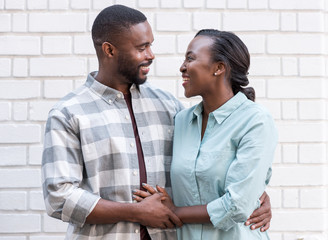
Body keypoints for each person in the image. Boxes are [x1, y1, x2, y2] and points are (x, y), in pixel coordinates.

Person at [41, 5, 272, 240]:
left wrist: (254, 196)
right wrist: (136, 212)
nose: (151, 55)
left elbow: (206, 164)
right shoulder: (69, 113)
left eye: (150, 45)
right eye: (142, 48)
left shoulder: (170, 107)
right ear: (109, 50)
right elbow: (59, 198)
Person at [134, 29, 278, 239]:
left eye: (190, 58)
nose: (182, 67)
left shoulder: (255, 121)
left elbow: (238, 205)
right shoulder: (182, 121)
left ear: (219, 68)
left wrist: (174, 212)